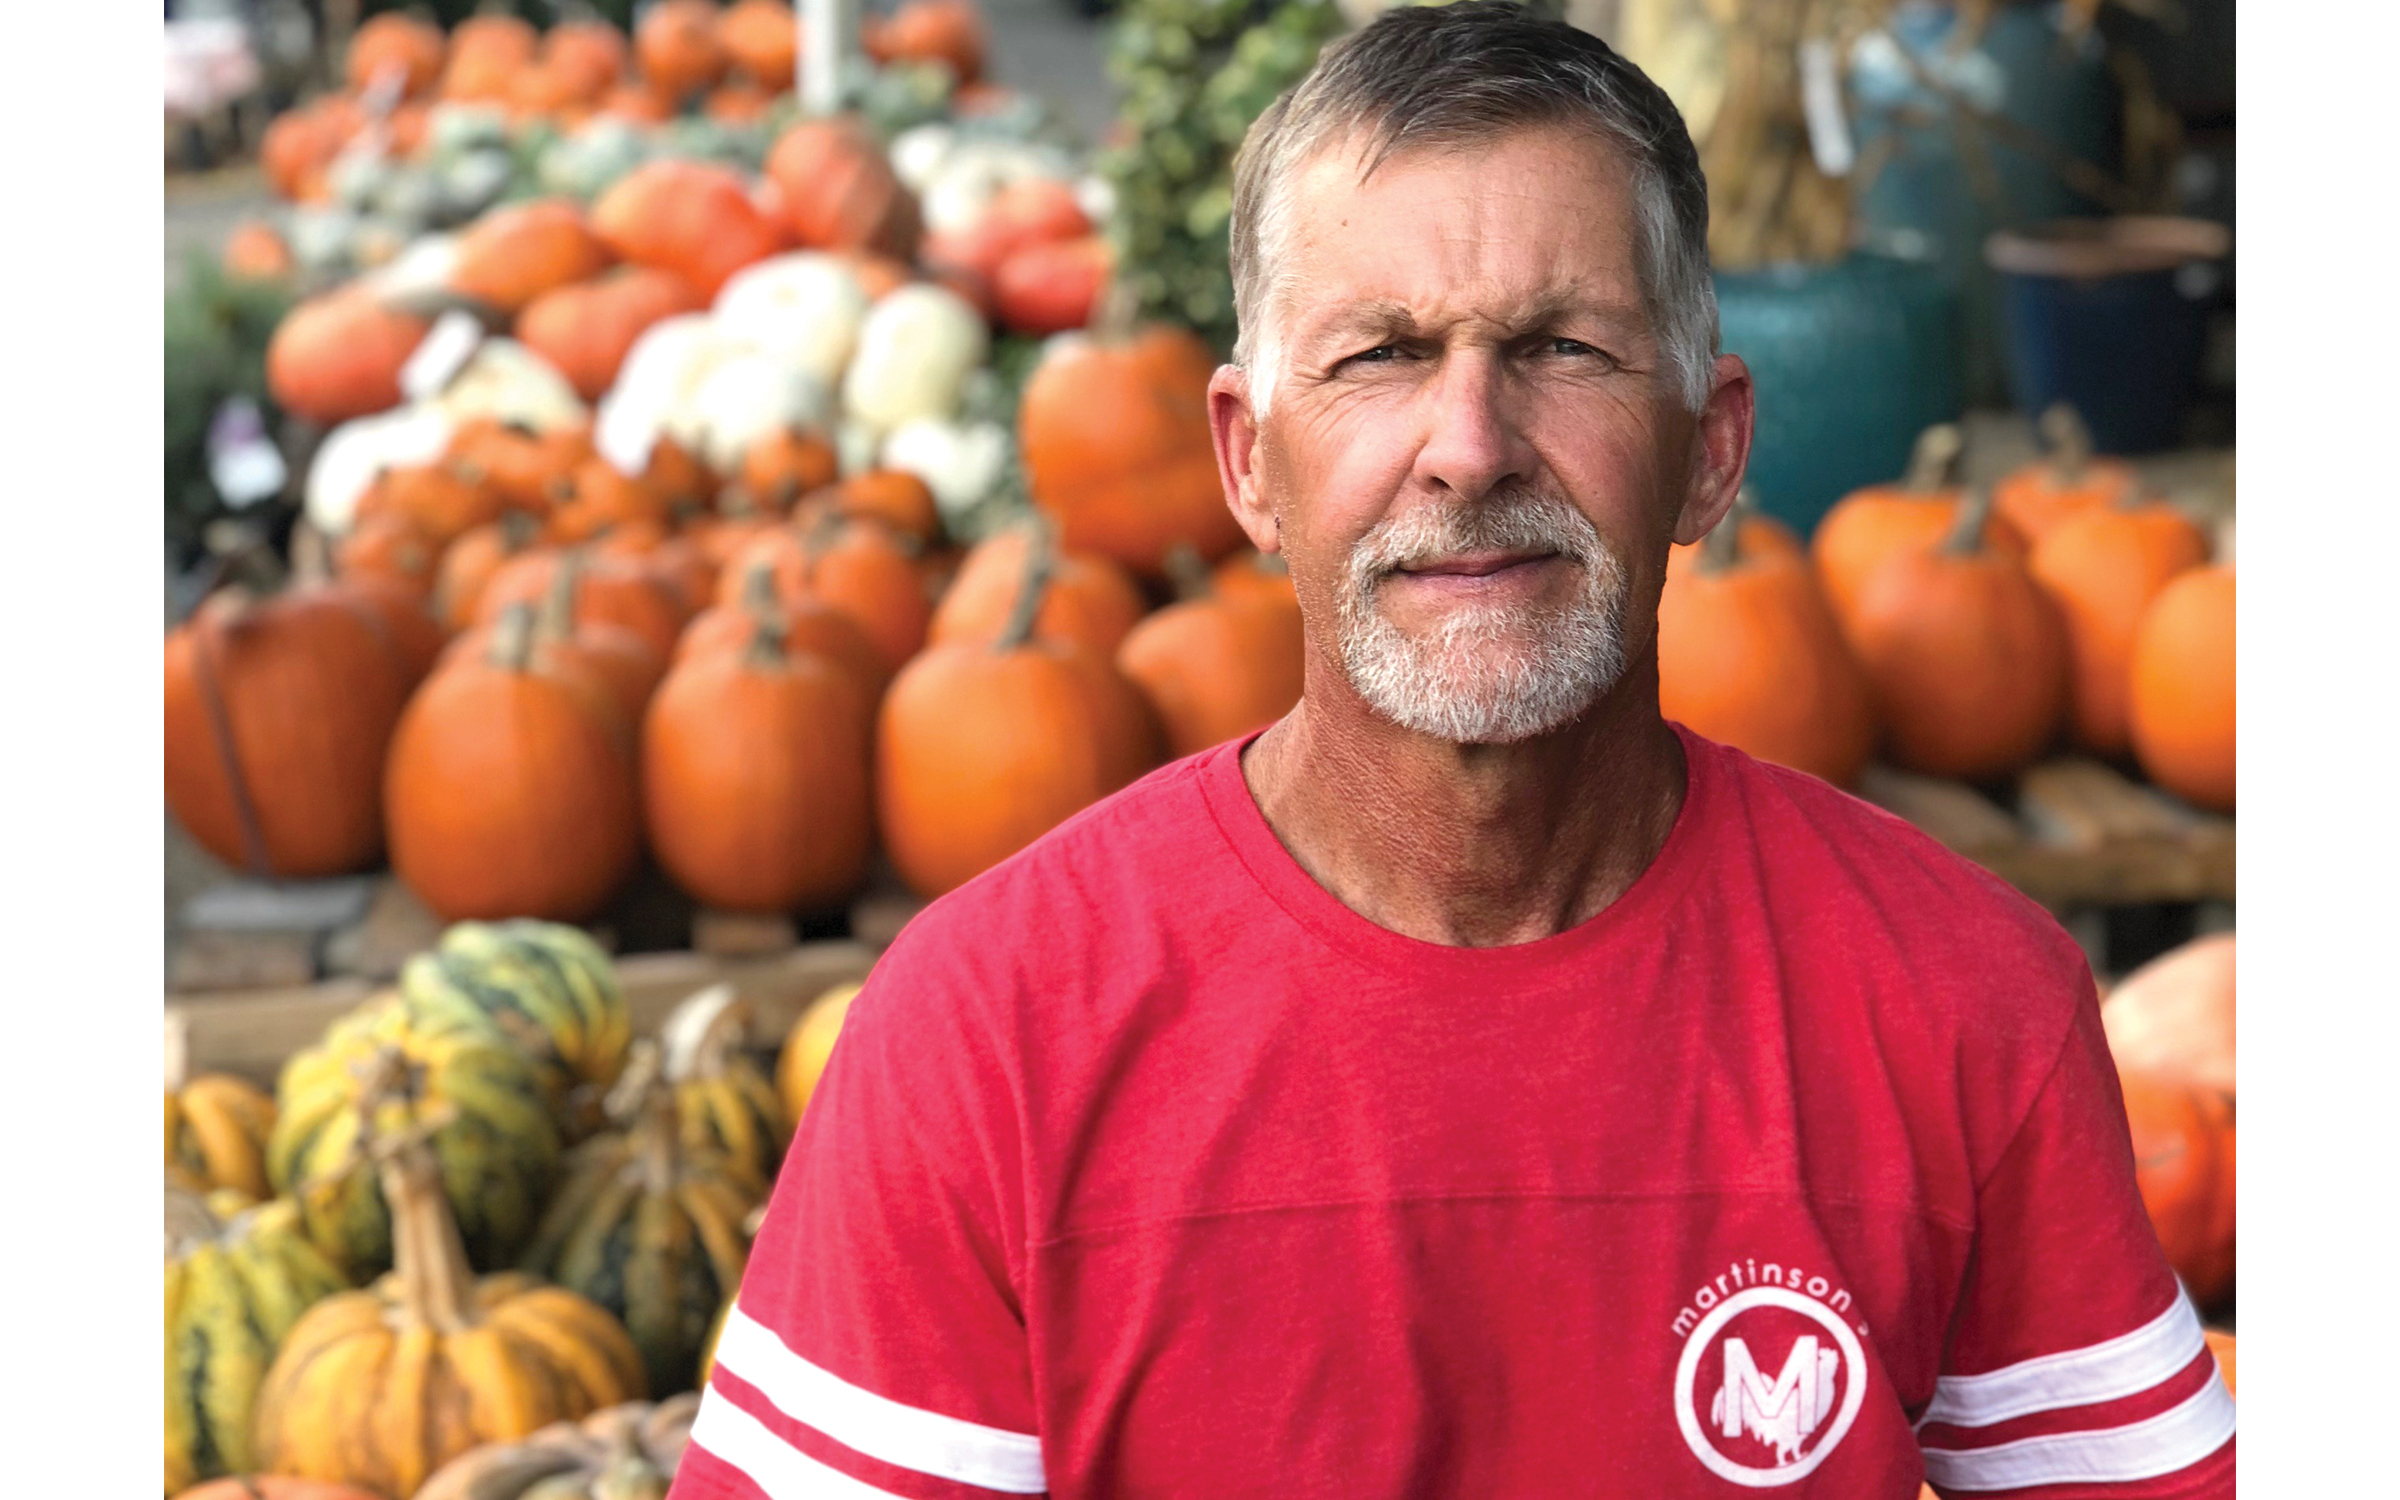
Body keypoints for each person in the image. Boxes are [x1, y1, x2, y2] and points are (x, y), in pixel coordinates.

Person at [667, 5, 2235, 1496]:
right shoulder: (983, 1041)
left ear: (1710, 449)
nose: (1470, 448)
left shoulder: (1963, 1002)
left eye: (1562, 348)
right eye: (1379, 356)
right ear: (1248, 463)